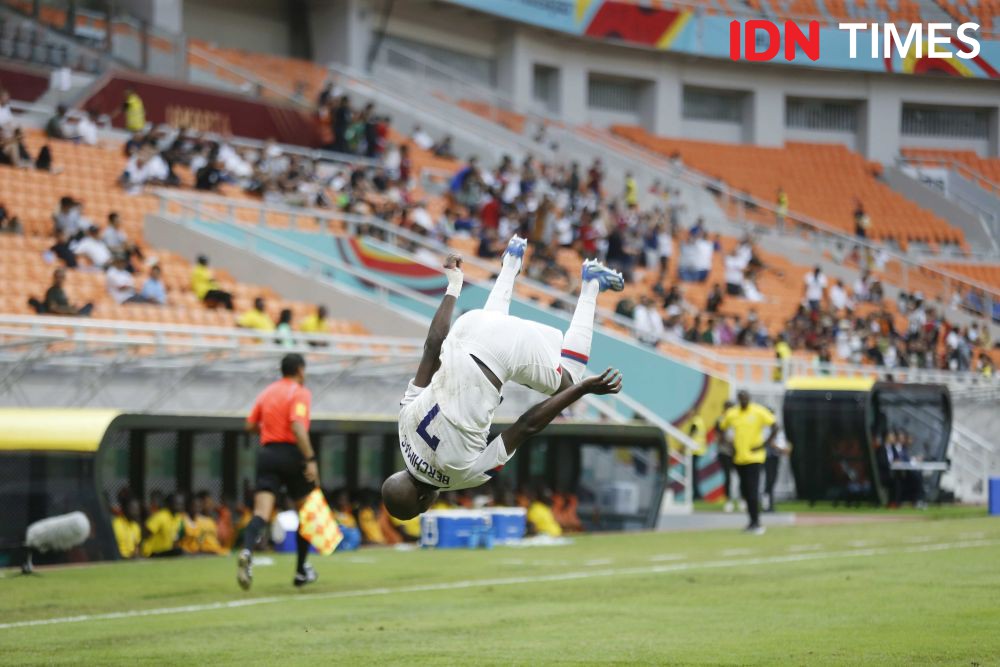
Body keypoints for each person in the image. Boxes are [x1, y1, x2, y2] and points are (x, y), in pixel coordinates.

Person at [381, 236, 625, 520]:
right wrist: (454, 283)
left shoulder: (461, 477)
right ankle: (510, 262)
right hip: (466, 328)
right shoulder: (403, 426)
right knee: (489, 324)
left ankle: (592, 284)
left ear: (424, 500)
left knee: (569, 378)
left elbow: (525, 427)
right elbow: (433, 344)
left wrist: (582, 390)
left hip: (500, 354)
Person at [238, 354, 318, 589]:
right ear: (300, 370)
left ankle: (246, 550)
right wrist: (310, 458)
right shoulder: (300, 392)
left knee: (261, 512)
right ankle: (301, 570)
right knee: (306, 513)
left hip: (267, 454)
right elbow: (297, 426)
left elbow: (250, 425)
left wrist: (270, 429)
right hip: (292, 454)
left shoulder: (267, 392)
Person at [718, 390, 779, 534]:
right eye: (741, 399)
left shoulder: (758, 411)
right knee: (745, 491)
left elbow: (775, 426)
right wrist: (728, 444)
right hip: (739, 457)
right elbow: (721, 428)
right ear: (739, 399)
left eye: (745, 398)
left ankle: (756, 523)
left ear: (749, 399)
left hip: (754, 457)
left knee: (752, 491)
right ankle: (752, 521)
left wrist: (764, 444)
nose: (743, 401)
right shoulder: (733, 413)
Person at [142, 493, 184, 557]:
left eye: (181, 504)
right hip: (153, 552)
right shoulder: (160, 516)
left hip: (165, 551)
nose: (180, 506)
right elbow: (145, 534)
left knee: (180, 551)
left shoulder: (178, 517)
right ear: (169, 504)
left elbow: (175, 537)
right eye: (177, 504)